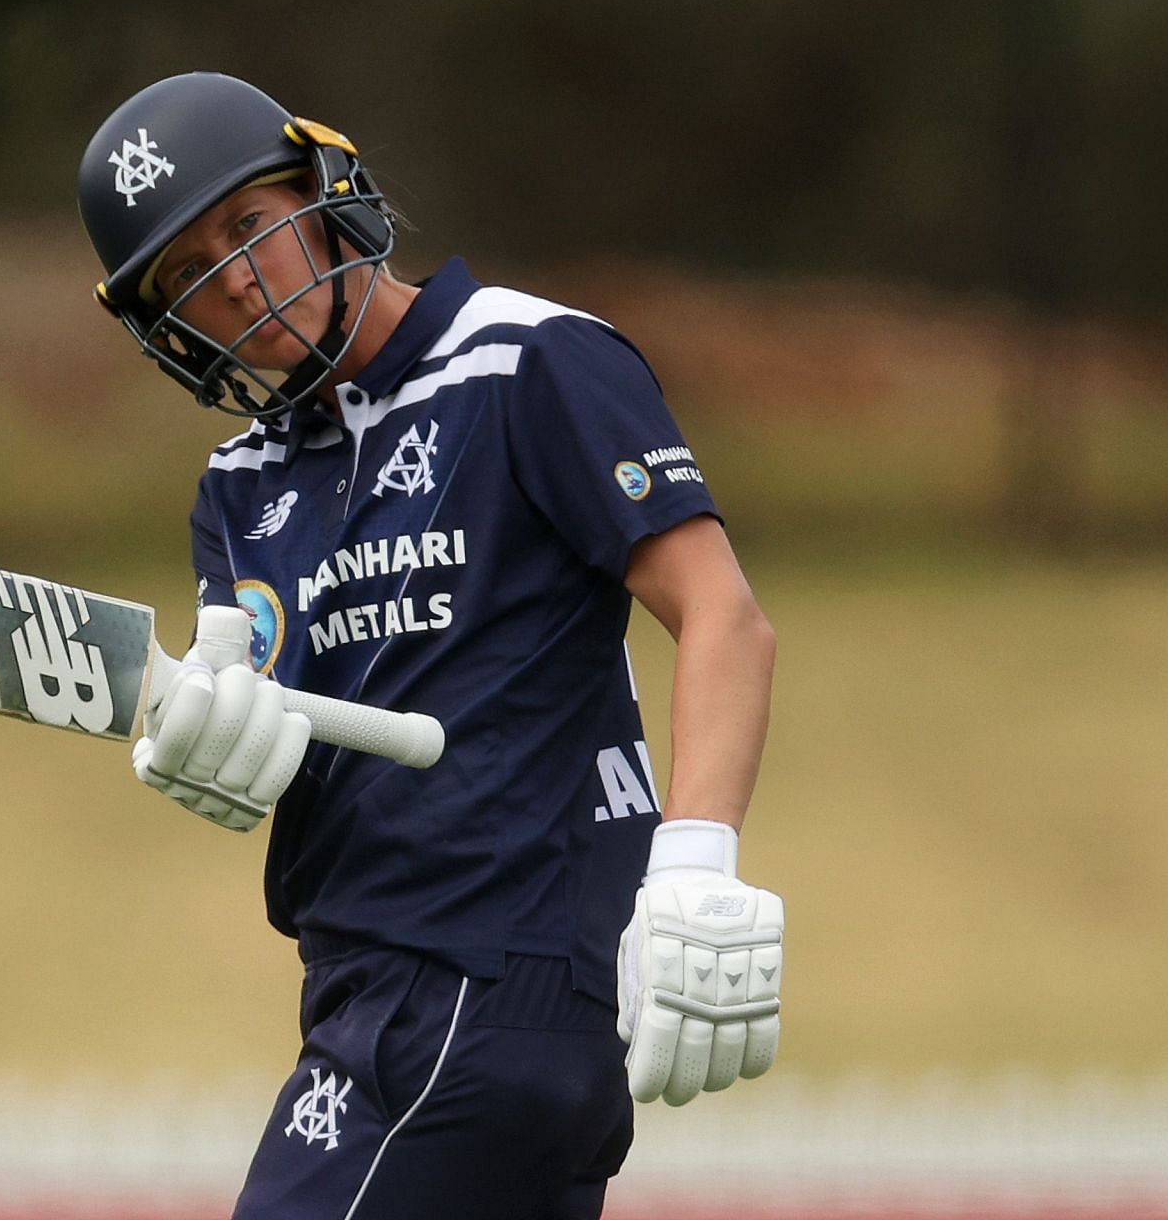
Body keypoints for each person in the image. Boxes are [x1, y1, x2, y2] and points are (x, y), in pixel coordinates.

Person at [77, 72, 783, 1220]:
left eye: (251, 228)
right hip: (358, 987)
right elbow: (272, 713)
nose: (243, 284)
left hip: (484, 981)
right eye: (193, 278)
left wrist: (695, 865)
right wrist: (206, 729)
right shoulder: (241, 486)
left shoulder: (528, 360)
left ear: (325, 192)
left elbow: (723, 615)